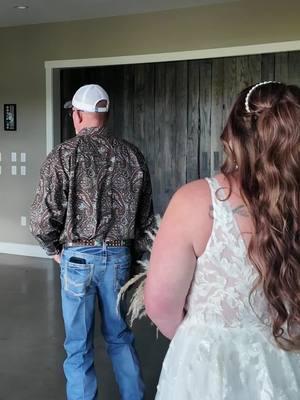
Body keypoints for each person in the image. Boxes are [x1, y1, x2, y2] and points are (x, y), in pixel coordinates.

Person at [144, 81, 300, 399]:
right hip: (289, 358)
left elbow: (161, 306)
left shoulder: (196, 202)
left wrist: (202, 341)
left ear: (232, 136)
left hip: (209, 369)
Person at [30, 83, 154, 400]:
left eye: (74, 111)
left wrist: (53, 249)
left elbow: (42, 218)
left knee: (77, 345)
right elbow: (145, 221)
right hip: (119, 258)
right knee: (120, 337)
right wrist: (138, 258)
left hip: (77, 258)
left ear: (79, 114)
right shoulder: (132, 155)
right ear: (106, 113)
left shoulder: (63, 155)